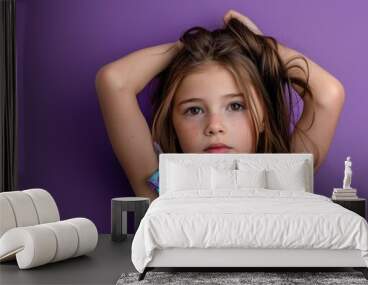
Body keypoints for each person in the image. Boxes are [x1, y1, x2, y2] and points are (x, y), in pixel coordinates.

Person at [95, 10, 345, 202]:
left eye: (236, 106)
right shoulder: (161, 188)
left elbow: (328, 95)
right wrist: (186, 47)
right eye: (194, 110)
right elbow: (114, 82)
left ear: (263, 118)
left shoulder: (284, 177)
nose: (214, 126)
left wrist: (258, 46)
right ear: (173, 121)